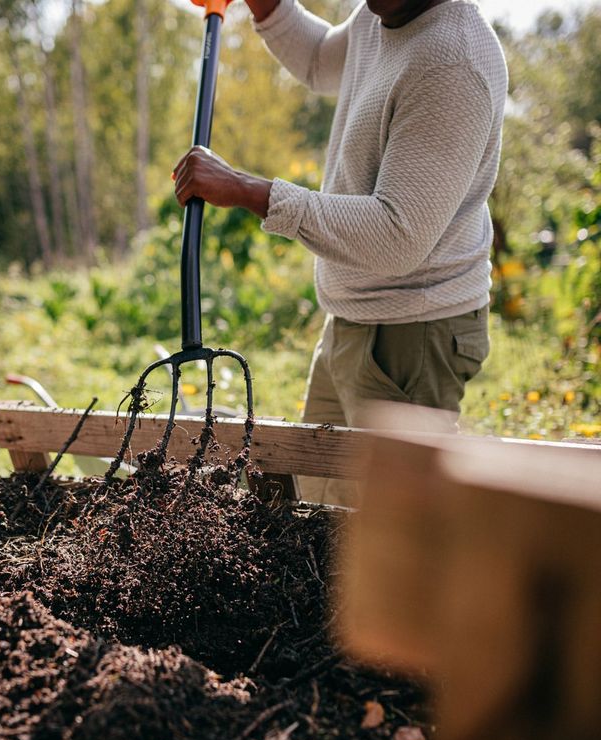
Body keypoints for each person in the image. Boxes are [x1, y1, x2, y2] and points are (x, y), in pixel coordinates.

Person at [172, 0, 507, 504]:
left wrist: (246, 190)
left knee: (388, 537)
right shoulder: (383, 10)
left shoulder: (452, 62)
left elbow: (398, 237)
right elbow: (320, 60)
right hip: (352, 317)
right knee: (315, 514)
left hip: (411, 333)